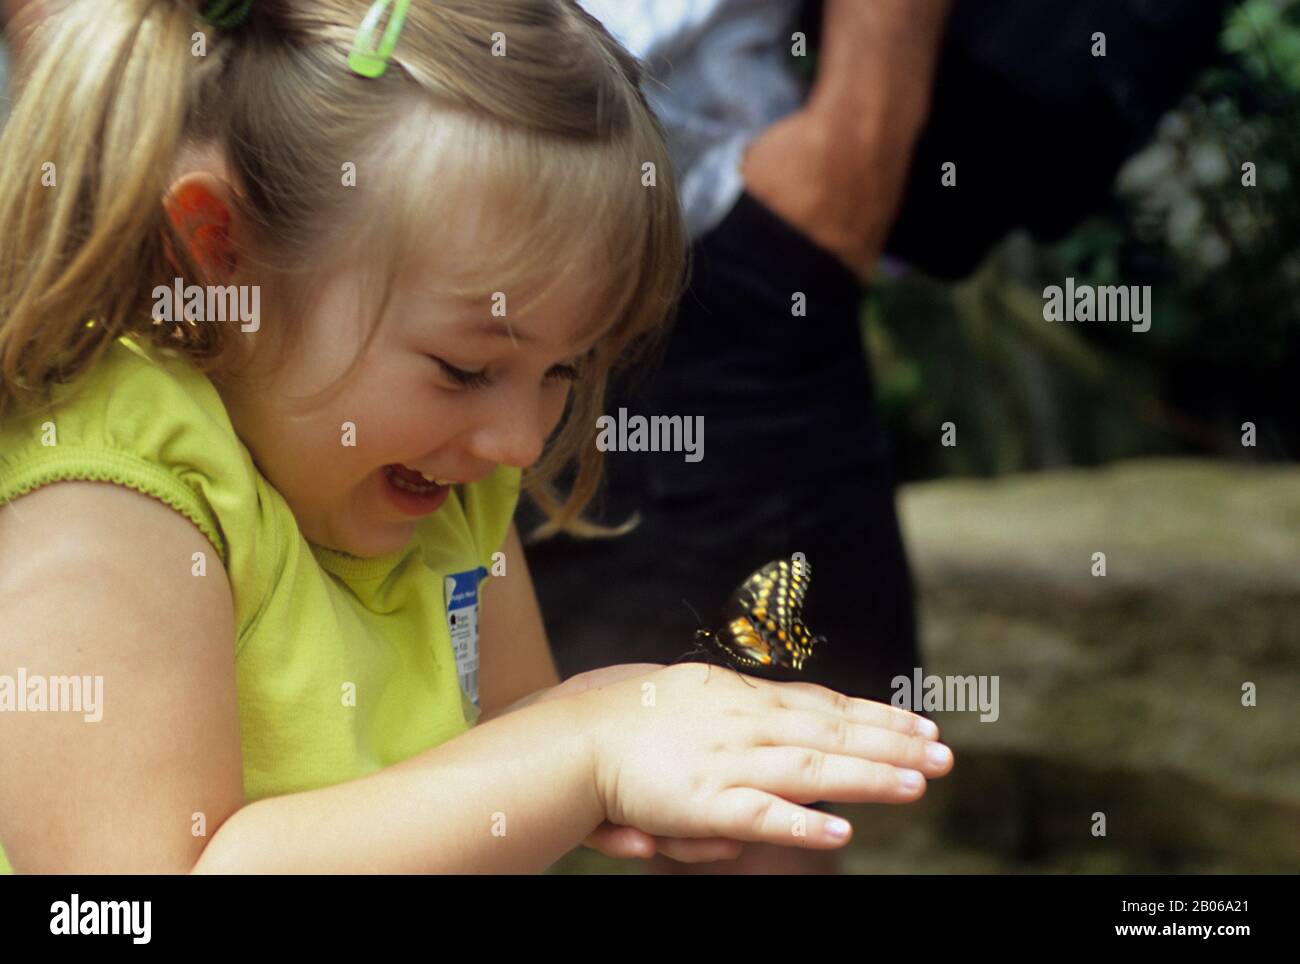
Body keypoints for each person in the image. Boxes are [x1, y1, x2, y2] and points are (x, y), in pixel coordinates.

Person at [0, 0, 952, 875]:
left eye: (565, 373)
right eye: (465, 368)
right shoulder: (111, 502)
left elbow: (495, 747)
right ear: (218, 252)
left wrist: (630, 723)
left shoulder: (441, 473)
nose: (522, 443)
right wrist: (578, 750)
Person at [521, 0, 1234, 876]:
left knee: (757, 800)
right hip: (472, 237)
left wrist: (845, 165)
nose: (513, 440)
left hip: (717, 233)